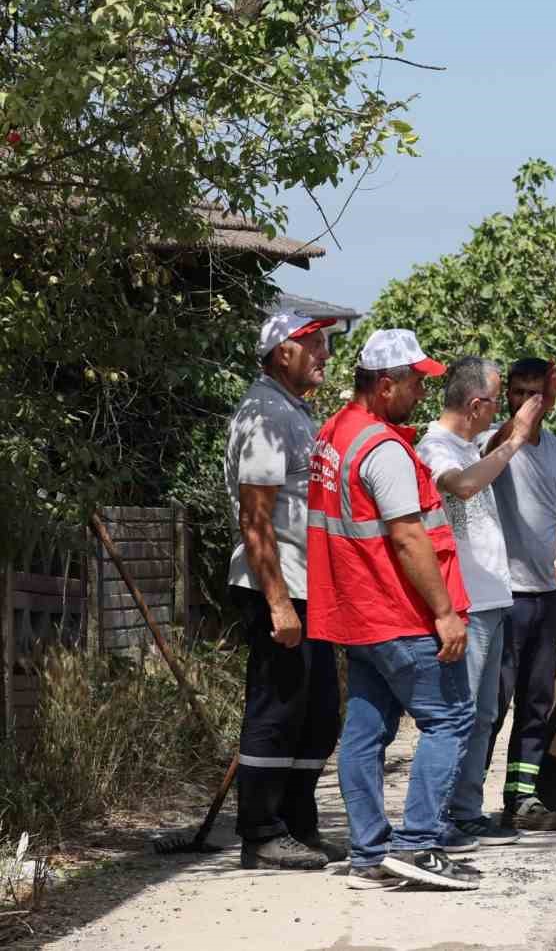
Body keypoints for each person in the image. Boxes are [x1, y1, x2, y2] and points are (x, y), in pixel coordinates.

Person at [306, 329, 479, 892]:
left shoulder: (335, 435)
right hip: (399, 612)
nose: (422, 392)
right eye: (414, 382)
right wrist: (445, 612)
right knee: (449, 718)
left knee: (365, 730)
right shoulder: (382, 449)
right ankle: (418, 844)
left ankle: (369, 855)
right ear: (385, 385)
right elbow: (408, 536)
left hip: (356, 614)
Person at [224, 312, 342, 871]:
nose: (323, 352)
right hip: (281, 589)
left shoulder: (294, 410)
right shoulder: (265, 414)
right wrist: (276, 602)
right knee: (277, 712)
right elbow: (256, 519)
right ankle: (262, 832)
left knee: (317, 715)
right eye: (312, 343)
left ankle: (298, 823)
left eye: (323, 343)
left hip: (308, 588)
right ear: (280, 354)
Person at [416, 357, 541, 852]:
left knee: (485, 713)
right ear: (475, 404)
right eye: (494, 403)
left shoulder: (467, 444)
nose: (497, 413)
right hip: (462, 601)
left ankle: (466, 811)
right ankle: (441, 814)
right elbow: (464, 485)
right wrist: (513, 441)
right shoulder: (435, 447)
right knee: (459, 713)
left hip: (491, 598)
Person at [481, 357, 556, 830]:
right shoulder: (502, 442)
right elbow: (488, 451)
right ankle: (463, 797)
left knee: (536, 701)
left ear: (550, 395)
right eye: (516, 393)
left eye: (535, 394)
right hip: (504, 595)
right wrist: (516, 426)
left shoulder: (555, 451)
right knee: (493, 701)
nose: (526, 402)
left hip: (544, 595)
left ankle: (522, 795)